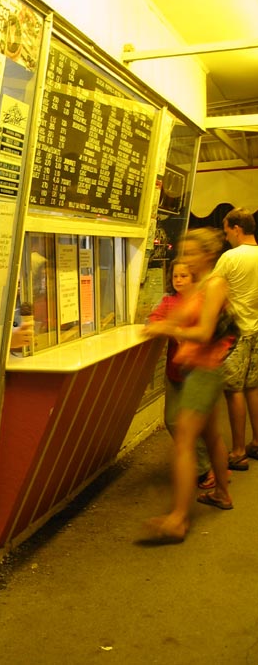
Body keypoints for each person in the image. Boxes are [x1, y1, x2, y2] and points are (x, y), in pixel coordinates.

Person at [142, 228, 235, 543]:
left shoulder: (215, 284)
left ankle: (179, 518)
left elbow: (205, 332)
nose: (186, 259)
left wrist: (166, 327)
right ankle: (222, 493)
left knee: (183, 440)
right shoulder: (198, 288)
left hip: (205, 371)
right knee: (210, 436)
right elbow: (174, 318)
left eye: (192, 253)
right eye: (184, 253)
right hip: (197, 369)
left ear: (208, 254)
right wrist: (163, 324)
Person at [147, 258, 216, 489]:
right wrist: (166, 328)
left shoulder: (203, 301)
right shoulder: (169, 302)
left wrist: (176, 329)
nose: (178, 280)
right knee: (172, 420)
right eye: (175, 276)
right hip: (175, 371)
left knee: (195, 425)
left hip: (198, 371)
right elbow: (154, 320)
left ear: (194, 277)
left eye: (183, 276)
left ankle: (203, 468)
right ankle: (200, 464)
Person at [212, 207, 258, 470]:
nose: (226, 236)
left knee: (234, 391)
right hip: (256, 329)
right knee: (253, 387)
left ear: (237, 229)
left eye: (227, 230)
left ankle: (239, 450)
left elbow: (212, 292)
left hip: (236, 333)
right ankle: (256, 442)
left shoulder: (230, 258)